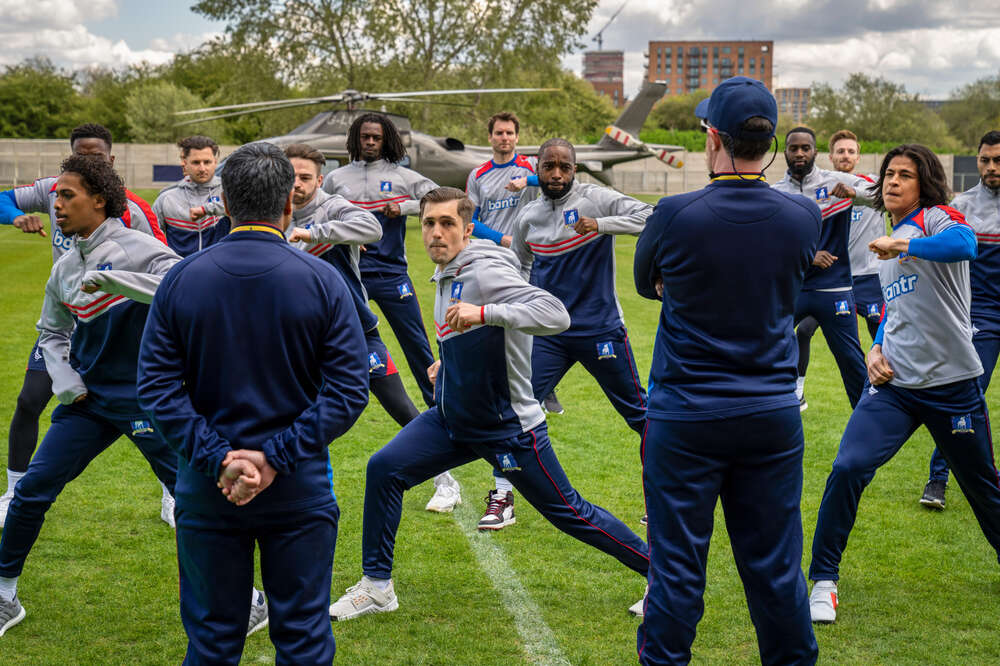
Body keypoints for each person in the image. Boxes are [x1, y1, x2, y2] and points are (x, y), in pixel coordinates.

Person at [328, 186, 649, 622]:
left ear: (466, 227)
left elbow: (555, 314)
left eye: (447, 224)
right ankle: (377, 587)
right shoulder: (448, 270)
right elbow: (470, 333)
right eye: (428, 224)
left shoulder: (483, 270)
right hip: (452, 419)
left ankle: (663, 575)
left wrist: (485, 314)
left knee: (572, 514)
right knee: (384, 468)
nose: (436, 233)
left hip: (508, 430)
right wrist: (450, 361)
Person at [137, 142, 369, 664]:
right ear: (291, 200)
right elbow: (350, 390)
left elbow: (155, 388)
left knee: (214, 642)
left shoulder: (180, 279)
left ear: (223, 199)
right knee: (303, 641)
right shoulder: (322, 279)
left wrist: (220, 458)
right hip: (297, 490)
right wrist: (273, 458)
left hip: (207, 487)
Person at [634, 76, 820, 665]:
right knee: (777, 572)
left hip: (685, 419)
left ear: (713, 136)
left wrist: (683, 284)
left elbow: (646, 284)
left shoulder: (675, 213)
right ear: (768, 141)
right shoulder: (802, 214)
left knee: (677, 572)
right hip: (770, 414)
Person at [807, 144, 1000, 625]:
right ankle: (824, 580)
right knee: (849, 466)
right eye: (889, 174)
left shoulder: (937, 218)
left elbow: (967, 246)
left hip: (953, 386)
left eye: (904, 175)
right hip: (896, 387)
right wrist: (875, 349)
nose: (891, 181)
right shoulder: (890, 241)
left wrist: (904, 244)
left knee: (982, 487)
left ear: (924, 182)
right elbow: (897, 308)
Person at [0, 154, 180, 638]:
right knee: (30, 491)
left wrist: (123, 282)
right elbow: (51, 333)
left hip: (148, 403)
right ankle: (4, 596)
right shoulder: (64, 269)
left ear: (98, 201)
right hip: (89, 404)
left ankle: (247, 600)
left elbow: (185, 288)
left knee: (194, 504)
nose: (57, 205)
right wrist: (65, 380)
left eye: (67, 195)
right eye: (56, 195)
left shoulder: (140, 247)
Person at [0, 123, 171, 529]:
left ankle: (173, 495)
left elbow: (170, 273)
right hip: (65, 322)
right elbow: (3, 199)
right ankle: (13, 491)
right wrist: (18, 217)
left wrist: (119, 282)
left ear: (109, 163)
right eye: (79, 154)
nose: (59, 201)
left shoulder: (134, 212)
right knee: (29, 401)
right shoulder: (53, 188)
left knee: (153, 423)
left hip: (115, 332)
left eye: (95, 158)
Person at [509, 138, 651, 528]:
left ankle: (662, 499)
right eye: (549, 166)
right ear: (537, 168)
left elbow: (652, 216)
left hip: (600, 329)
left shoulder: (596, 198)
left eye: (565, 167)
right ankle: (502, 497)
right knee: (514, 411)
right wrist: (523, 310)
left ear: (576, 169)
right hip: (549, 336)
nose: (556, 174)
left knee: (642, 417)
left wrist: (602, 225)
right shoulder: (529, 216)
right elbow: (518, 266)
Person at [283, 143, 425, 431]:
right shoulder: (273, 215)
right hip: (298, 334)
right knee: (293, 415)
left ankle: (443, 473)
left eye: (305, 177)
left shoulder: (332, 207)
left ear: (320, 180)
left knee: (399, 405)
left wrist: (315, 234)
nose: (296, 183)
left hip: (352, 328)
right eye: (291, 176)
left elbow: (373, 228)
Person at [462, 111, 561, 523]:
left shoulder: (532, 169)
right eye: (499, 133)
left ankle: (544, 382)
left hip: (530, 264)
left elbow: (561, 183)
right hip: (492, 261)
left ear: (519, 137)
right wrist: (500, 237)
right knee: (499, 349)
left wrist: (530, 181)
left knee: (538, 328)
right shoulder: (479, 175)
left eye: (511, 133)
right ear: (490, 137)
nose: (505, 138)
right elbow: (471, 218)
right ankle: (536, 387)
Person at [322, 113, 439, 409]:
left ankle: (439, 407)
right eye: (365, 137)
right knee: (329, 341)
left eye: (376, 137)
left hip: (392, 275)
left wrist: (403, 207)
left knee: (417, 346)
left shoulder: (402, 176)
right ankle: (321, 403)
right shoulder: (337, 179)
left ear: (386, 139)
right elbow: (319, 213)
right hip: (349, 276)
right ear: (356, 139)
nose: (371, 142)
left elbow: (441, 200)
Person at [920, 130, 1000, 510]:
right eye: (985, 160)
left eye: (998, 160)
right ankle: (938, 479)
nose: (991, 167)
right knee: (968, 394)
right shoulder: (962, 207)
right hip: (981, 313)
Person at [773, 127, 872, 410]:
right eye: (794, 148)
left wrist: (854, 193)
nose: (800, 153)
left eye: (806, 148)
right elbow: (766, 241)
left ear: (815, 151)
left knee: (852, 362)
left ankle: (867, 419)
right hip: (792, 288)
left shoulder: (836, 182)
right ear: (786, 153)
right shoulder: (777, 193)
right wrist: (807, 256)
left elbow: (880, 196)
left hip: (835, 289)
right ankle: (769, 407)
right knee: (761, 348)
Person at [152, 135, 229, 257]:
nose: (202, 168)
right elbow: (151, 241)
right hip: (180, 271)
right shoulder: (166, 198)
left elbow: (245, 210)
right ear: (185, 163)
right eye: (196, 162)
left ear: (215, 162)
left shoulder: (229, 190)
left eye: (207, 162)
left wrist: (206, 209)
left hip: (220, 271)